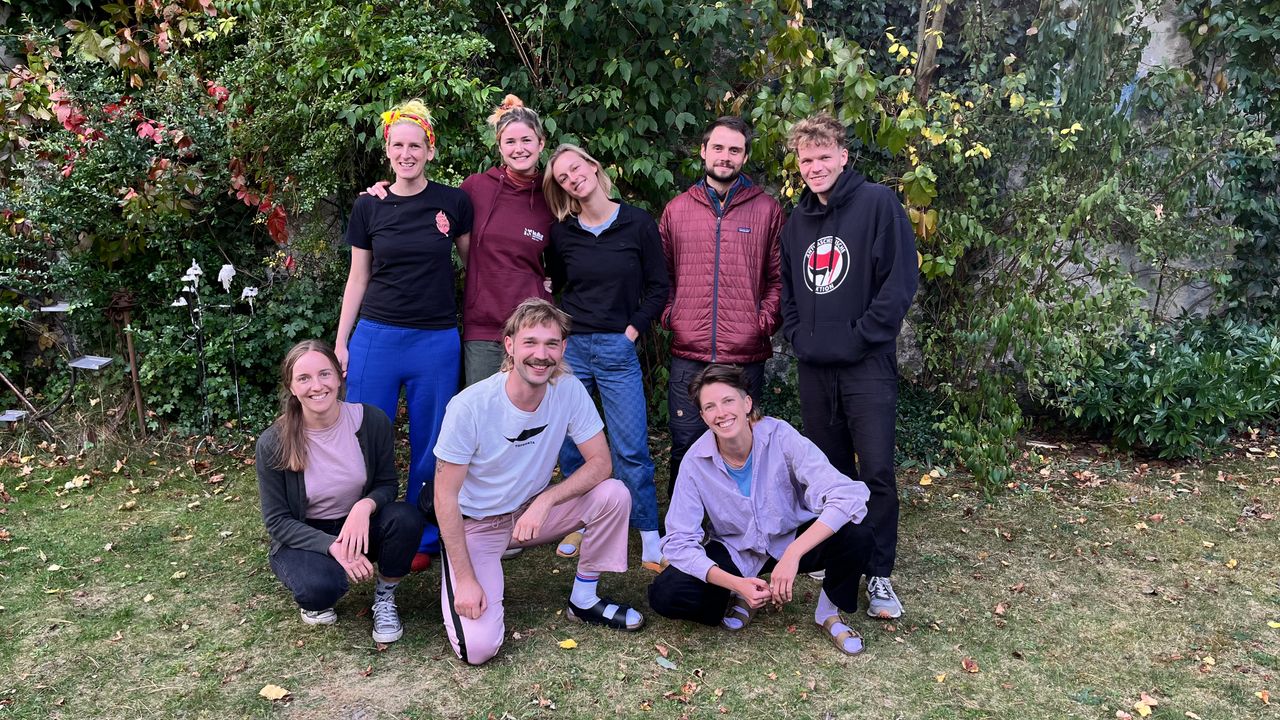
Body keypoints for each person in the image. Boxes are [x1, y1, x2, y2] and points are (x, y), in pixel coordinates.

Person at [433, 299, 645, 665]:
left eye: (551, 344)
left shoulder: (569, 389)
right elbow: (444, 497)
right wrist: (466, 578)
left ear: (563, 349)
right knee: (479, 649)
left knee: (614, 494)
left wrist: (545, 501)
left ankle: (585, 600)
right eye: (530, 342)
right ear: (510, 345)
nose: (541, 354)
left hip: (530, 516)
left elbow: (601, 463)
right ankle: (462, 568)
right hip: (478, 526)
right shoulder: (470, 406)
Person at [779, 113, 919, 619]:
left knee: (876, 471)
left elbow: (898, 284)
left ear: (843, 156)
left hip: (866, 368)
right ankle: (838, 557)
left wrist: (858, 340)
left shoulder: (878, 204)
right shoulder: (797, 223)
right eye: (806, 159)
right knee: (828, 472)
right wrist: (798, 338)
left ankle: (878, 574)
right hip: (816, 370)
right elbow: (790, 294)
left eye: (823, 157)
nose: (814, 167)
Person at [647, 364, 875, 655]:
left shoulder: (780, 435)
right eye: (710, 406)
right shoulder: (695, 461)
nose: (721, 412)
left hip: (789, 537)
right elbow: (679, 541)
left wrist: (794, 554)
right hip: (736, 548)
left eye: (728, 401)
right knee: (667, 594)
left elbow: (845, 495)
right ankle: (740, 595)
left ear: (746, 403)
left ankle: (827, 612)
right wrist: (735, 583)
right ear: (704, 417)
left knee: (858, 533)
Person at [334, 99, 473, 571]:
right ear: (387, 150)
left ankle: (423, 534)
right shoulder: (369, 205)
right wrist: (341, 341)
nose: (407, 153)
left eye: (416, 145)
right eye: (398, 145)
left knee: (432, 440)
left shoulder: (453, 203)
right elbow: (357, 277)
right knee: (364, 434)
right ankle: (361, 527)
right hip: (376, 335)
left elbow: (477, 268)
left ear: (430, 150)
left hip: (435, 339)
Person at [366, 94, 555, 387]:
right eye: (510, 142)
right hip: (483, 325)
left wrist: (555, 281)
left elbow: (574, 246)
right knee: (483, 416)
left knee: (534, 416)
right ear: (499, 146)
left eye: (527, 141)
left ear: (541, 143)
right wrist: (385, 192)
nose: (519, 149)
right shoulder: (475, 188)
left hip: (534, 325)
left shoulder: (552, 194)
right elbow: (422, 202)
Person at [542, 143, 670, 569]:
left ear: (593, 168)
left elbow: (658, 287)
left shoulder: (637, 223)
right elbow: (556, 287)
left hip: (617, 347)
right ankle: (581, 521)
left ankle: (650, 532)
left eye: (575, 169)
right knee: (570, 444)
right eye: (563, 177)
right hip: (573, 349)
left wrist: (631, 331)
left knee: (630, 445)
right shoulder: (562, 233)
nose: (572, 178)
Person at [255, 340, 424, 644]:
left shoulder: (371, 421)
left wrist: (364, 507)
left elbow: (387, 484)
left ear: (339, 376)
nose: (316, 386)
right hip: (306, 534)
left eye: (324, 374)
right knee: (320, 591)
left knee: (406, 518)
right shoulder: (273, 442)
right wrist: (332, 546)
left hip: (358, 526)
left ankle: (384, 598)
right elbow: (278, 522)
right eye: (303, 378)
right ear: (292, 387)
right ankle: (323, 584)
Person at [658, 116, 783, 495]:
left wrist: (760, 323)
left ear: (744, 156)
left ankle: (742, 525)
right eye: (718, 148)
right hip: (689, 352)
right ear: (703, 151)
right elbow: (660, 278)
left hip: (744, 355)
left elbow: (779, 279)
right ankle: (684, 532)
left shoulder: (767, 210)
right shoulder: (677, 210)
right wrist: (672, 317)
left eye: (734, 150)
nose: (725, 156)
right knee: (685, 445)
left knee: (743, 446)